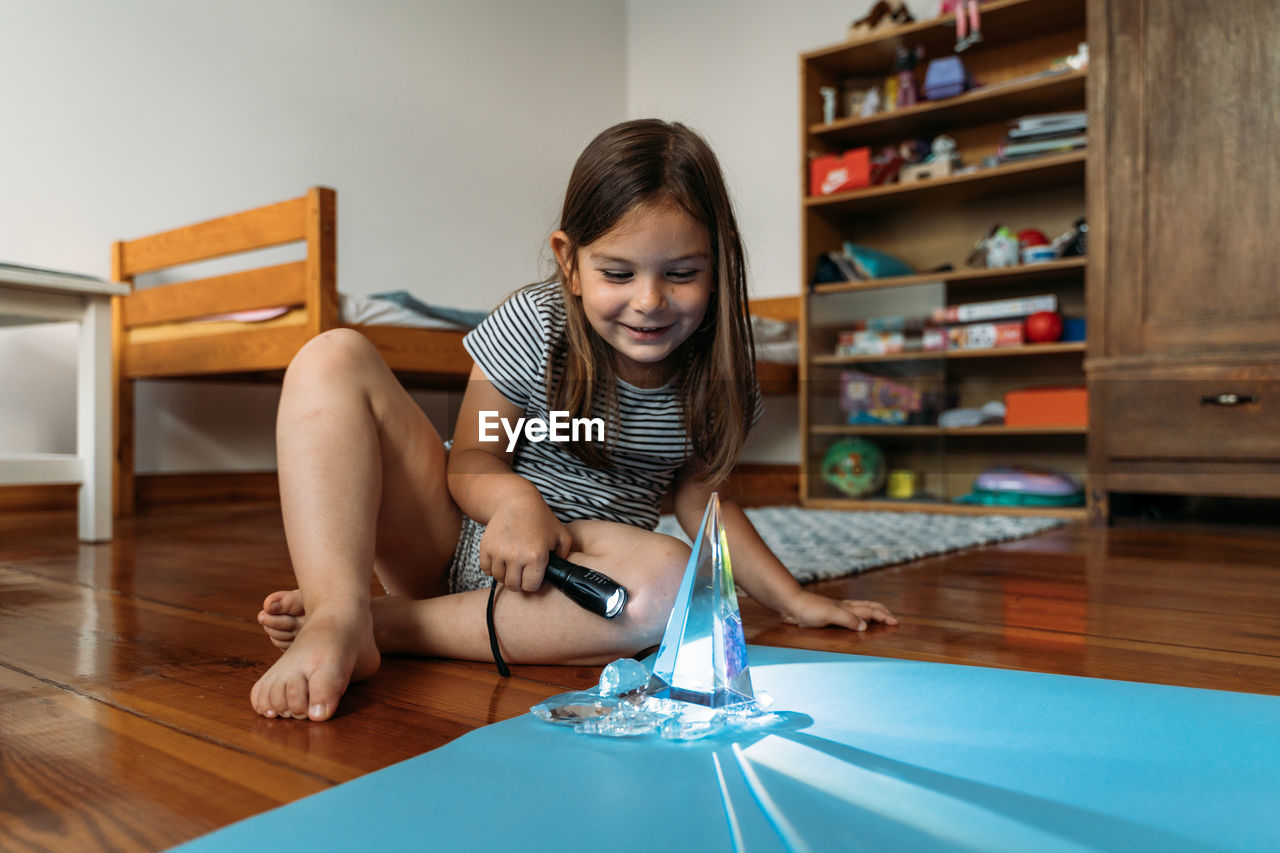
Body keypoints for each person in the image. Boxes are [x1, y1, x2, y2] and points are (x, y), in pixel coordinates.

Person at [250, 119, 898, 722]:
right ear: (570, 261)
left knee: (675, 581)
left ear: (719, 264)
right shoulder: (535, 324)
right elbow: (473, 457)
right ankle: (337, 615)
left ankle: (385, 625)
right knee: (331, 355)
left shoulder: (721, 375)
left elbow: (704, 501)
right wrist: (513, 501)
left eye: (682, 274)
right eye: (618, 272)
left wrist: (793, 600)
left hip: (576, 582)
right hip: (460, 537)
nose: (649, 302)